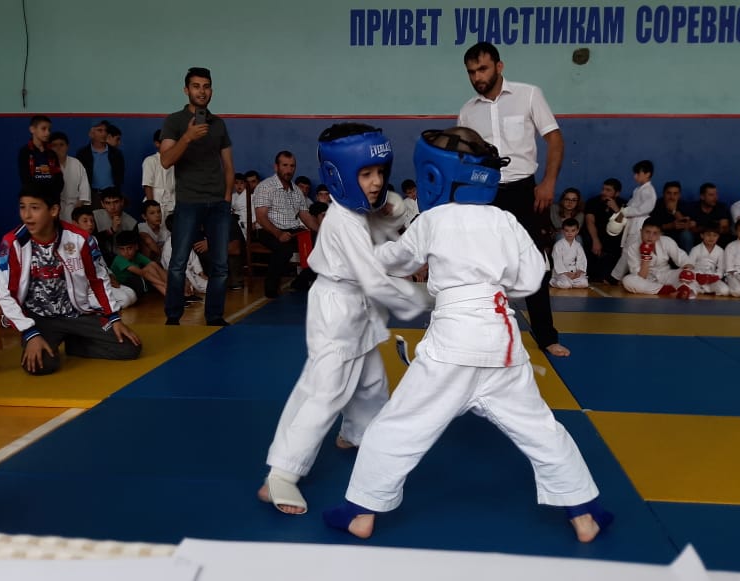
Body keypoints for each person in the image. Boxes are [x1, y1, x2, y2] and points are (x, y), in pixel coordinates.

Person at [323, 127, 610, 543]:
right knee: (542, 430)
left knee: (398, 427)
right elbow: (533, 277)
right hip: (503, 343)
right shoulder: (505, 220)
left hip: (452, 346)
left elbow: (396, 260)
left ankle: (361, 513)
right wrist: (493, 283)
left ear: (434, 175)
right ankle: (583, 512)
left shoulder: (432, 219)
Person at [258, 123, 429, 515]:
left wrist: (394, 206)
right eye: (366, 174)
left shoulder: (360, 209)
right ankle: (281, 474)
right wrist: (425, 301)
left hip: (358, 308)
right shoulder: (343, 220)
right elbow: (374, 278)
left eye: (380, 172)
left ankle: (356, 433)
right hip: (338, 309)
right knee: (325, 391)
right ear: (339, 174)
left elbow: (385, 227)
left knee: (370, 380)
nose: (376, 182)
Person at [457, 41, 569, 357]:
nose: (477, 77)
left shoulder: (529, 94)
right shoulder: (467, 111)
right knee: (482, 268)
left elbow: (555, 140)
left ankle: (546, 336)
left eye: (482, 69)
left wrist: (548, 182)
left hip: (526, 192)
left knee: (534, 264)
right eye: (471, 72)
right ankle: (482, 336)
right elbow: (463, 159)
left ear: (499, 66)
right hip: (485, 194)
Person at [0, 184, 142, 375]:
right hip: (39, 318)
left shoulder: (80, 239)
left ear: (54, 210)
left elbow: (98, 279)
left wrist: (113, 317)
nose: (27, 215)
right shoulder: (12, 243)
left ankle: (75, 343)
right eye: (22, 207)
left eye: (35, 208)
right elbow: (6, 294)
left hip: (77, 313)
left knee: (129, 348)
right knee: (41, 365)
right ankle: (49, 340)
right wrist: (29, 333)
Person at [159, 67, 234, 326]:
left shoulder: (219, 124)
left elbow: (228, 165)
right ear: (186, 90)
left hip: (218, 203)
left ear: (211, 90)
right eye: (196, 86)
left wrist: (226, 198)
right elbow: (166, 160)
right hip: (189, 201)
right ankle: (173, 316)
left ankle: (214, 316)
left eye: (206, 86)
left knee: (220, 264)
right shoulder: (174, 121)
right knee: (178, 262)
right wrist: (187, 137)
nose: (202, 91)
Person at [252, 151, 319, 298]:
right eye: (285, 165)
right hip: (268, 230)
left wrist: (322, 232)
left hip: (293, 230)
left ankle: (300, 282)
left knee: (322, 244)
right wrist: (279, 234)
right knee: (284, 250)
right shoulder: (265, 187)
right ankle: (271, 289)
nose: (289, 170)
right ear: (276, 167)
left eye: (292, 166)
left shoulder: (296, 190)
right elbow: (261, 217)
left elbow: (306, 216)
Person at [73, 205, 137, 309]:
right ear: (75, 224)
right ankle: (92, 305)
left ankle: (108, 303)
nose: (90, 224)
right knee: (125, 299)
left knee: (132, 294)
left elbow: (101, 262)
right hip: (90, 287)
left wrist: (110, 275)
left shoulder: (93, 239)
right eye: (85, 221)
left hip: (103, 280)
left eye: (92, 221)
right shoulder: (73, 244)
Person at [621, 219, 698, 299]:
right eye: (647, 232)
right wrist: (645, 257)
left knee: (690, 272)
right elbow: (641, 278)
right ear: (641, 231)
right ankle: (669, 290)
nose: (650, 236)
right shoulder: (633, 248)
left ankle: (684, 290)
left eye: (655, 233)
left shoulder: (666, 241)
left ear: (659, 235)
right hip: (648, 281)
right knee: (627, 281)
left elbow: (684, 260)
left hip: (666, 276)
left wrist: (687, 271)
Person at [583, 178, 626, 284]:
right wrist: (595, 240)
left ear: (617, 193)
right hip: (596, 237)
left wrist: (617, 210)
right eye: (603, 189)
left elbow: (625, 226)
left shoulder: (624, 204)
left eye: (608, 190)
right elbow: (590, 221)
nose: (603, 192)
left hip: (613, 242)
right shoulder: (593, 202)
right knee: (588, 239)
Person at [110, 229, 168, 297]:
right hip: (126, 287)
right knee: (149, 271)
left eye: (129, 248)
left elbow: (153, 265)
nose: (126, 252)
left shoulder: (137, 255)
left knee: (153, 265)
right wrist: (163, 283)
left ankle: (172, 288)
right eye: (122, 249)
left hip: (136, 281)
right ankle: (170, 294)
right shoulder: (119, 259)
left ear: (136, 247)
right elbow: (144, 273)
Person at [17, 115, 63, 199]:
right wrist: (37, 198)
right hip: (34, 198)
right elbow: (26, 179)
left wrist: (54, 198)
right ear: (32, 129)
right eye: (43, 129)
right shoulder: (25, 152)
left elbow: (59, 179)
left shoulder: (52, 153)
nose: (48, 133)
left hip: (51, 200)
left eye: (49, 129)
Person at [48, 132, 92, 222]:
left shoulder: (76, 163)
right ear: (50, 147)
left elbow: (84, 184)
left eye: (61, 145)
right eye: (54, 145)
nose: (58, 148)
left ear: (67, 146)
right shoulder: (47, 165)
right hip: (54, 205)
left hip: (74, 205)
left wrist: (81, 201)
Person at [76, 120, 125, 196]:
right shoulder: (83, 154)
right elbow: (78, 178)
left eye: (105, 130)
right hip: (91, 195)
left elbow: (120, 176)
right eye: (100, 130)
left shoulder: (116, 153)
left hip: (111, 195)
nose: (104, 133)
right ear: (91, 134)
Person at [650, 181, 694, 252]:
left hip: (679, 234)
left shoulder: (684, 205)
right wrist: (670, 226)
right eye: (669, 193)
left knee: (686, 235)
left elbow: (686, 224)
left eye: (675, 194)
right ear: (664, 194)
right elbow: (651, 226)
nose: (672, 197)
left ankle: (687, 259)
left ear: (679, 195)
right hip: (662, 234)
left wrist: (674, 211)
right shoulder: (656, 205)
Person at [687, 225, 729, 296]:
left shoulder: (720, 251)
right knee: (689, 287)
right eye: (708, 235)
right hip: (697, 278)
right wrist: (697, 276)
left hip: (712, 278)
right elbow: (689, 266)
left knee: (725, 291)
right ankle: (702, 290)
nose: (711, 238)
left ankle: (704, 290)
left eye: (714, 235)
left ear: (718, 237)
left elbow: (721, 269)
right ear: (702, 235)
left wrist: (714, 277)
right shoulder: (695, 249)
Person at [142, 130, 176, 217]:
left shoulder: (175, 161)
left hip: (171, 204)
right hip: (155, 204)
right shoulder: (150, 160)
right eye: (166, 143)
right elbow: (147, 185)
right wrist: (152, 209)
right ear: (157, 144)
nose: (170, 145)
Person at [549, 218, 588, 289]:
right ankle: (553, 281)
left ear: (577, 231)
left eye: (573, 230)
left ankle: (571, 282)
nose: (570, 233)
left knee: (584, 283)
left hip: (574, 271)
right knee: (566, 285)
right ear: (562, 231)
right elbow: (557, 261)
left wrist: (579, 271)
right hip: (561, 272)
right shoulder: (558, 245)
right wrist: (566, 273)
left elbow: (581, 260)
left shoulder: (578, 245)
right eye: (567, 231)